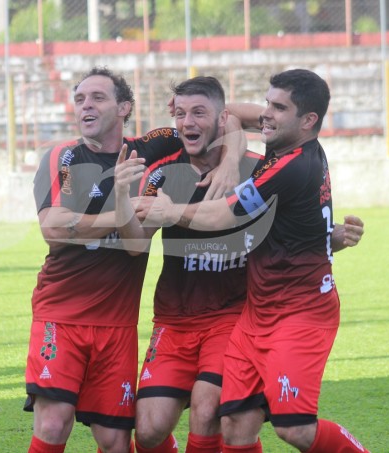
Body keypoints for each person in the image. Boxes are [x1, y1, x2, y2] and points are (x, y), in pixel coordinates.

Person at [115, 75, 365, 453]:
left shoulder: (277, 166)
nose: (266, 114)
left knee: (274, 425)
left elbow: (221, 216)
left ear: (308, 120)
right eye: (180, 114)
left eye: (278, 108)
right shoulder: (263, 155)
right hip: (220, 317)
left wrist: (175, 207)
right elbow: (136, 245)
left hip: (270, 314)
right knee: (207, 426)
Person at [26, 67, 248, 453]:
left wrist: (231, 159)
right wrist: (130, 211)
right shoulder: (63, 157)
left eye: (97, 98)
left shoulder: (153, 148)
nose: (85, 106)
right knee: (53, 421)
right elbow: (54, 229)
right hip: (62, 315)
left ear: (124, 107)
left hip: (118, 323)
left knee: (118, 439)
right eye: (79, 99)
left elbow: (236, 115)